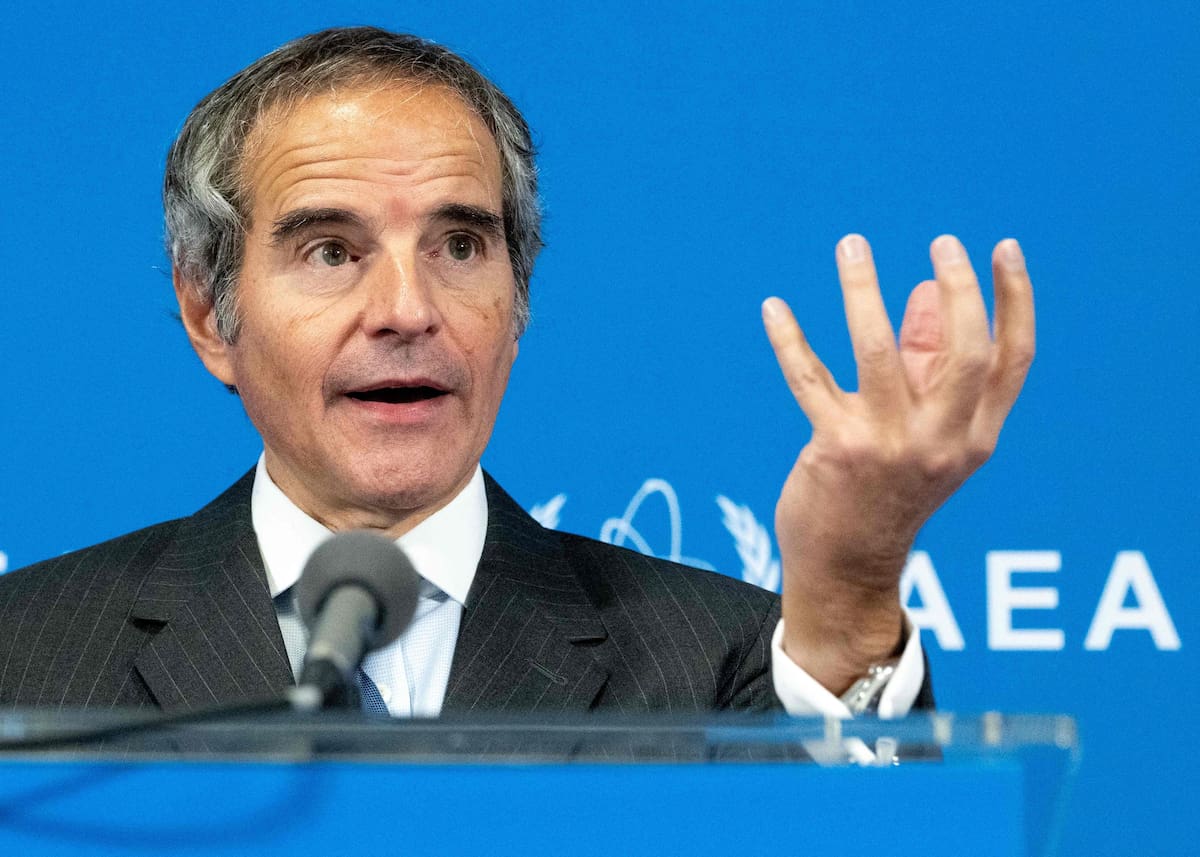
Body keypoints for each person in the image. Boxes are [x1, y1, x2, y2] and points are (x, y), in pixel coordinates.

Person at [0, 27, 1033, 719]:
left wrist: (849, 594)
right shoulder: (26, 657)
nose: (408, 309)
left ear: (518, 297)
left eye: (460, 245)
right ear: (207, 313)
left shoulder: (723, 661)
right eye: (332, 250)